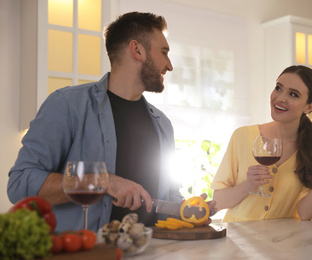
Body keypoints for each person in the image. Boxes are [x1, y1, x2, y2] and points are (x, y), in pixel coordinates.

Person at [8, 12, 184, 232]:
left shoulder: (162, 124)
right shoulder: (68, 105)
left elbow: (168, 196)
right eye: (164, 52)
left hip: (150, 251)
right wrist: (103, 182)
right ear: (137, 50)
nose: (169, 65)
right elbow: (20, 183)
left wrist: (188, 210)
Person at [210, 65, 312, 222]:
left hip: (282, 243)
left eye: (293, 94)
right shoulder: (242, 136)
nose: (280, 98)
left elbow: (305, 213)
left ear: (309, 107)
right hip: (236, 241)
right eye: (278, 88)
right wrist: (248, 185)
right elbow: (218, 202)